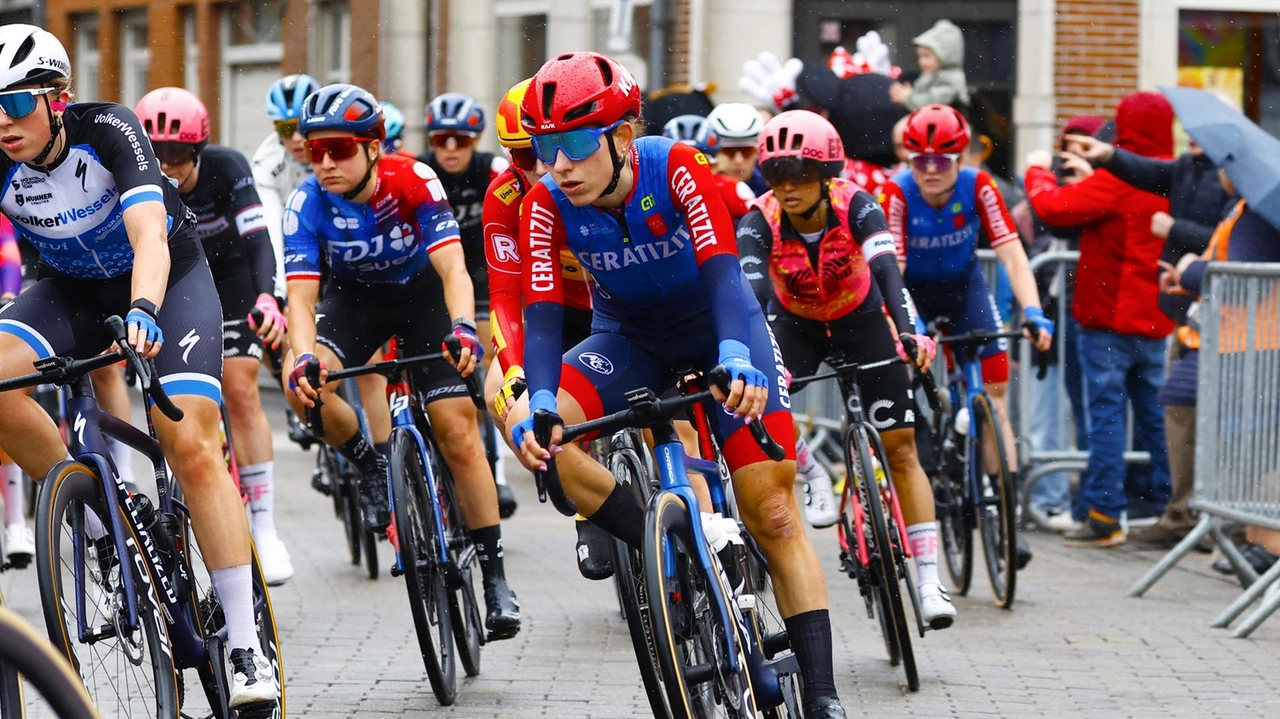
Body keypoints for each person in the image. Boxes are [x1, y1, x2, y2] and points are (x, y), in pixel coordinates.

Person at [505, 51, 848, 718]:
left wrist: (735, 360)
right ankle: (669, 548)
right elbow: (543, 317)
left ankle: (824, 694)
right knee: (550, 444)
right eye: (546, 147)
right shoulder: (545, 203)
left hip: (720, 328)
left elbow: (725, 274)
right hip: (627, 340)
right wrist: (541, 402)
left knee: (772, 511)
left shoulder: (676, 166)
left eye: (575, 143)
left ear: (622, 138)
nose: (559, 164)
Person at [0, 24, 275, 708]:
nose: (2, 123)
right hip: (68, 291)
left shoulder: (110, 130)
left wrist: (147, 308)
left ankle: (245, 643)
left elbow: (150, 233)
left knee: (187, 438)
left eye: (14, 103)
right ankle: (95, 519)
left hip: (167, 282)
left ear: (57, 99)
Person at [281, 83, 520, 638]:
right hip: (355, 301)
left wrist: (463, 328)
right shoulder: (307, 202)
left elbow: (454, 269)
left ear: (373, 148)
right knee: (305, 389)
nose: (324, 163)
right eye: (315, 151)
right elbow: (301, 298)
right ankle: (368, 464)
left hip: (423, 300)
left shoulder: (413, 179)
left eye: (339, 149)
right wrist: (300, 359)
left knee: (458, 430)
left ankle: (495, 575)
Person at [736, 110, 957, 626]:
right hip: (795, 323)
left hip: (860, 320)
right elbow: (753, 293)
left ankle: (928, 580)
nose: (787, 188)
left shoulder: (857, 206)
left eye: (799, 176)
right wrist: (759, 356)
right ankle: (813, 473)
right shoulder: (758, 219)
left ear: (825, 175)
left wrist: (909, 330)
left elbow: (886, 270)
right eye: (776, 177)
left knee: (901, 450)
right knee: (761, 405)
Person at [881, 105, 1053, 567]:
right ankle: (932, 449)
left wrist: (1033, 311)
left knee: (994, 397)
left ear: (961, 159)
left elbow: (1013, 254)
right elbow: (891, 273)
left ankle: (1006, 513)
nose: (930, 171)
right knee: (907, 369)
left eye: (941, 161)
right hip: (913, 294)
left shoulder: (979, 186)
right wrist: (907, 330)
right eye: (920, 162)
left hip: (964, 294)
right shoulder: (896, 192)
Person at [134, 86, 293, 585]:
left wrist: (268, 296)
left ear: (198, 150)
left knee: (242, 388)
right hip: (177, 287)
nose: (168, 164)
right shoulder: (135, 179)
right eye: (156, 153)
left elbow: (259, 241)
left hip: (234, 282)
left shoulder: (227, 168)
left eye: (178, 154)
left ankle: (264, 530)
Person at [1060, 130, 1233, 547]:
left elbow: (1056, 210)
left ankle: (1115, 510)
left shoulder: (1231, 185)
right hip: (1169, 313)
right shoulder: (1184, 169)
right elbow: (1151, 172)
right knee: (1168, 411)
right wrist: (1107, 156)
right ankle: (1170, 508)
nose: (1191, 135)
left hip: (1149, 317)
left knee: (1121, 415)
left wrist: (1176, 234)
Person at [1024, 91, 1177, 547]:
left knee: (1105, 417)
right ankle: (1170, 505)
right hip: (1154, 317)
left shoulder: (1120, 179)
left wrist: (1035, 168)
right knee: (1153, 416)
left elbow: (1053, 208)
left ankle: (1105, 513)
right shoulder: (1172, 175)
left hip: (1108, 317)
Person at [483, 79, 613, 580]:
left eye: (555, 149)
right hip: (553, 314)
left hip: (614, 308)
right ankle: (581, 496)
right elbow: (503, 296)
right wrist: (515, 370)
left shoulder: (597, 178)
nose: (544, 168)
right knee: (498, 389)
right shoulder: (506, 197)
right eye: (525, 156)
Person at [417, 91, 516, 517]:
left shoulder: (492, 169)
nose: (451, 149)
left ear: (476, 139)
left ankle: (499, 473)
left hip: (484, 270)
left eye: (461, 139)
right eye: (442, 140)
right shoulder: (422, 172)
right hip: (438, 272)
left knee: (487, 357)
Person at [889, 20, 970, 111]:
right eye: (920, 56)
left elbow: (933, 103)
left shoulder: (950, 79)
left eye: (926, 56)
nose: (921, 62)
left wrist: (909, 98)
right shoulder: (929, 77)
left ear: (945, 56)